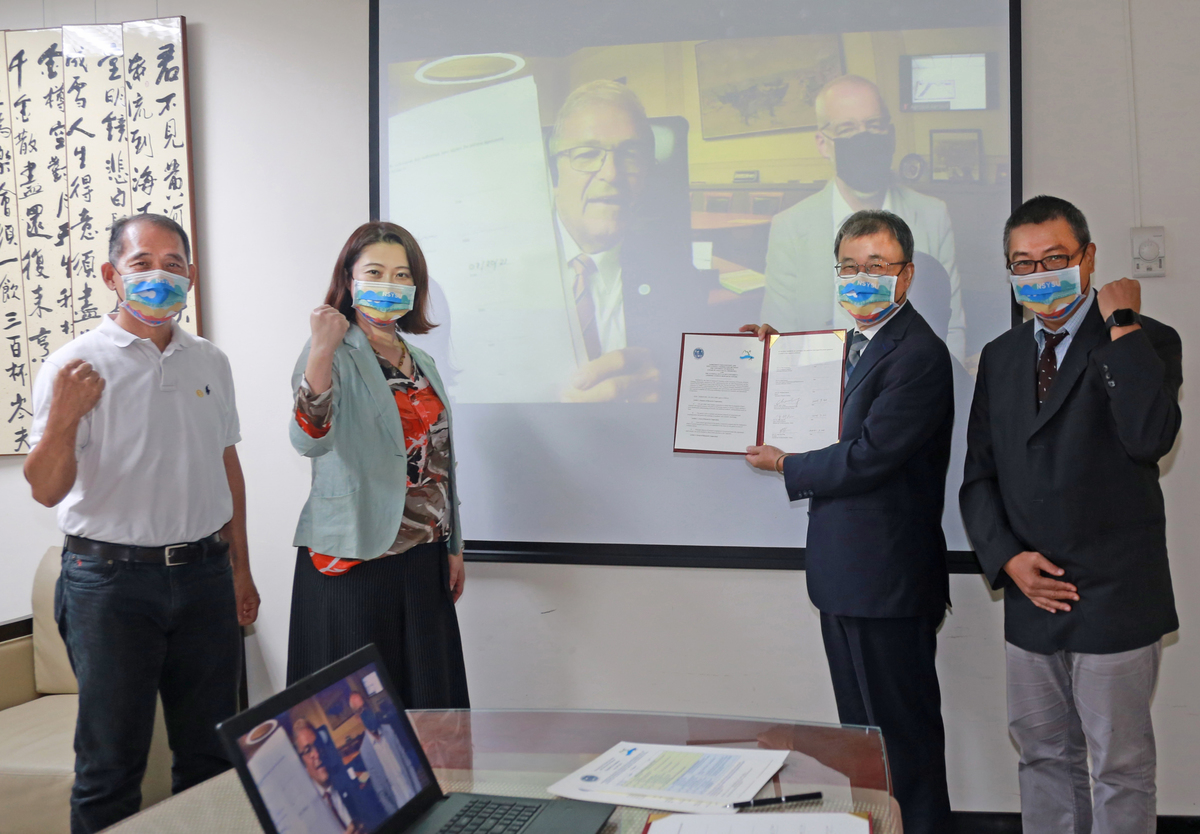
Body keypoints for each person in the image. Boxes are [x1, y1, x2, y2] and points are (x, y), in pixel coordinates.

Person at [23, 214, 260, 833]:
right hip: (109, 585)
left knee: (212, 758)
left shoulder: (210, 360)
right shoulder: (74, 364)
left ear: (191, 276)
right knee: (110, 768)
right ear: (112, 275)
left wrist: (241, 570)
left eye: (174, 264)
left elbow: (227, 468)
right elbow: (45, 488)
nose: (161, 276)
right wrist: (66, 418)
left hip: (206, 577)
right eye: (143, 264)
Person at [960, 196, 1181, 834]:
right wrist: (1006, 559)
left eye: (1055, 259)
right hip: (1032, 591)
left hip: (1115, 592)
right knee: (1043, 757)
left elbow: (1148, 438)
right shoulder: (1001, 357)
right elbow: (978, 478)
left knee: (1120, 768)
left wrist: (1123, 322)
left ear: (1088, 258)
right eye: (1022, 264)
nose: (1039, 275)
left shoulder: (1144, 339)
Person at [744, 210, 954, 834]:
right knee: (865, 741)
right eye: (851, 267)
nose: (863, 279)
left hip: (887, 581)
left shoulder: (918, 353)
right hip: (846, 577)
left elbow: (868, 457)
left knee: (903, 744)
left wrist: (785, 463)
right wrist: (779, 356)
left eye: (878, 267)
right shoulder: (856, 344)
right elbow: (827, 407)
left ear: (906, 275)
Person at [287, 221, 470, 712]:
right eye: (375, 272)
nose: (389, 285)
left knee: (429, 706)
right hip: (355, 557)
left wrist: (452, 544)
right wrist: (323, 346)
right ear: (349, 281)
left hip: (421, 555)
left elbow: (439, 459)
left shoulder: (421, 360)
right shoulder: (332, 351)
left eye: (401, 274)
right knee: (358, 718)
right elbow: (308, 437)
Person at [760, 75, 966, 362]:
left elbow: (951, 329)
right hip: (821, 389)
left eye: (874, 125)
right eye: (847, 129)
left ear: (890, 134)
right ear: (823, 143)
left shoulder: (932, 214)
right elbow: (780, 340)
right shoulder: (791, 227)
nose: (864, 138)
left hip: (911, 388)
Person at [549, 80, 699, 402]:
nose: (612, 174)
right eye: (587, 154)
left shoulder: (675, 272)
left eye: (630, 155)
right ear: (554, 173)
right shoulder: (503, 271)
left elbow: (692, 384)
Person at [292, 719, 379, 834]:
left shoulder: (347, 784)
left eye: (318, 745)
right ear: (301, 763)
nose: (317, 754)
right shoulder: (306, 814)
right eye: (308, 750)